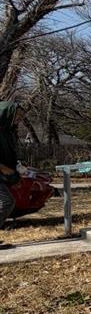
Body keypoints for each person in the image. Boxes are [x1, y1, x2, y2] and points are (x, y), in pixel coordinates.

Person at [0, 101, 25, 250]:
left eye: (22, 116)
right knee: (7, 202)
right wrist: (7, 171)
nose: (19, 118)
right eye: (18, 115)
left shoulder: (9, 132)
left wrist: (17, 168)